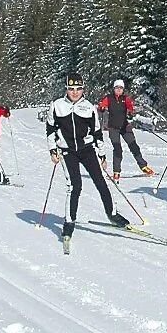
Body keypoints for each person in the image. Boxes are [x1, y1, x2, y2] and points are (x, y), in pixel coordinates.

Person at [46, 73, 131, 240]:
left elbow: (97, 132)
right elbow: (50, 129)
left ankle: (112, 214)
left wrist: (102, 155)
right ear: (66, 89)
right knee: (74, 186)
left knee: (101, 181)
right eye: (71, 89)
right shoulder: (57, 106)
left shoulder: (89, 107)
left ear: (83, 89)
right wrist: (52, 150)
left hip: (87, 150)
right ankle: (69, 222)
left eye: (78, 89)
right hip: (67, 151)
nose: (75, 92)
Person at [98, 79, 155, 182]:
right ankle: (116, 172)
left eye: (121, 88)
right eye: (117, 88)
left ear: (123, 89)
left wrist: (130, 112)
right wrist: (101, 108)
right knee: (117, 149)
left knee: (134, 146)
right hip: (113, 128)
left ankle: (143, 166)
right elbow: (101, 106)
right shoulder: (109, 98)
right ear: (114, 89)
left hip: (125, 127)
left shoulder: (126, 99)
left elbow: (130, 108)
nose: (119, 90)